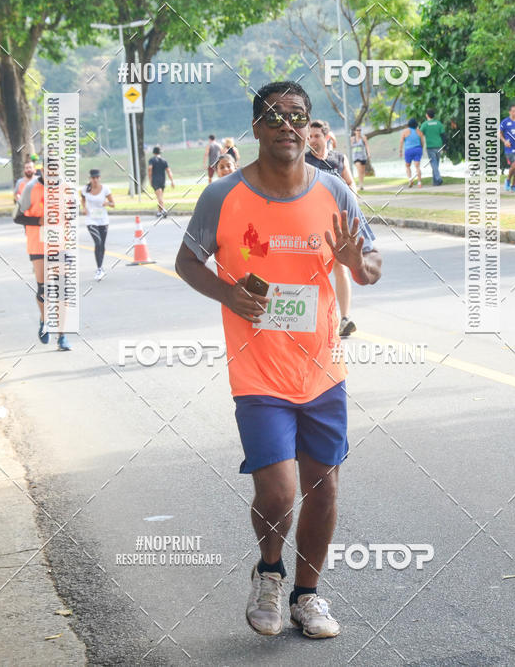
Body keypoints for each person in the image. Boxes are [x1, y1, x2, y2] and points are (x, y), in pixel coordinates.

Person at [176, 80, 381, 641]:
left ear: (308, 125)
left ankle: (307, 596)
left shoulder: (336, 191)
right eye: (273, 116)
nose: (286, 125)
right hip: (257, 370)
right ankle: (269, 573)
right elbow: (188, 262)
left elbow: (371, 266)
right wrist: (227, 293)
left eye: (296, 115)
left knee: (325, 487)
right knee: (279, 491)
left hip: (322, 368)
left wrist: (355, 264)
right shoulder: (222, 196)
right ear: (257, 128)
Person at [306, 120, 357, 338]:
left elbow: (350, 183)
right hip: (310, 223)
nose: (311, 140)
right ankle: (314, 319)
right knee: (313, 270)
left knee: (340, 267)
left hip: (337, 222)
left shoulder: (339, 159)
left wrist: (352, 203)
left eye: (316, 135)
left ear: (326, 137)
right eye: (309, 136)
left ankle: (344, 318)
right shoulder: (303, 161)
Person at [18, 172, 71, 350]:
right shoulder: (30, 188)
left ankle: (62, 336)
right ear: (43, 170)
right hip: (38, 245)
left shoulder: (66, 187)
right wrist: (38, 220)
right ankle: (44, 320)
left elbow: (75, 212)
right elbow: (17, 217)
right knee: (43, 289)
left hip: (60, 244)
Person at [80, 169, 114, 281]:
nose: (94, 180)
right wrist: (84, 208)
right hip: (91, 220)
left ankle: (100, 267)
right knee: (97, 242)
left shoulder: (105, 189)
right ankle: (99, 269)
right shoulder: (85, 189)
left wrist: (107, 203)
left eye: (96, 178)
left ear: (99, 178)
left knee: (102, 245)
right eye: (92, 178)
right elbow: (83, 199)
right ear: (90, 178)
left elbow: (113, 204)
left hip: (103, 220)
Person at [420, 108, 445, 186]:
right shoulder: (439, 123)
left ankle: (438, 178)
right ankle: (435, 182)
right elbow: (443, 135)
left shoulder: (424, 124)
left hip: (430, 146)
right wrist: (445, 146)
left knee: (433, 163)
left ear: (427, 115)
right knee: (436, 163)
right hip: (439, 145)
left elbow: (420, 134)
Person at [148, 146, 174, 216]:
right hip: (162, 180)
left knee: (159, 196)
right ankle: (159, 212)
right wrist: (172, 181)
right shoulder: (164, 160)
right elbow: (168, 171)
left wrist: (150, 179)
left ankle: (163, 210)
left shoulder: (152, 160)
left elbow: (150, 169)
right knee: (160, 196)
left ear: (153, 152)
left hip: (155, 180)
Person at [399, 118, 424, 188]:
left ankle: (410, 180)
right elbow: (422, 142)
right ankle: (419, 183)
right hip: (418, 149)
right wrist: (421, 148)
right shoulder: (419, 131)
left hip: (408, 150)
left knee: (407, 166)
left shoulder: (405, 131)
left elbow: (401, 141)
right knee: (417, 167)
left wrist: (400, 151)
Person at [350, 126, 370, 191]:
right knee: (359, 169)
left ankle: (361, 184)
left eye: (360, 130)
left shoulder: (363, 138)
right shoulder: (352, 139)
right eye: (357, 130)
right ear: (355, 131)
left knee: (362, 171)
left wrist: (368, 154)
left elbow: (367, 146)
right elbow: (350, 146)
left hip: (363, 156)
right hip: (356, 157)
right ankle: (360, 185)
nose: (358, 131)